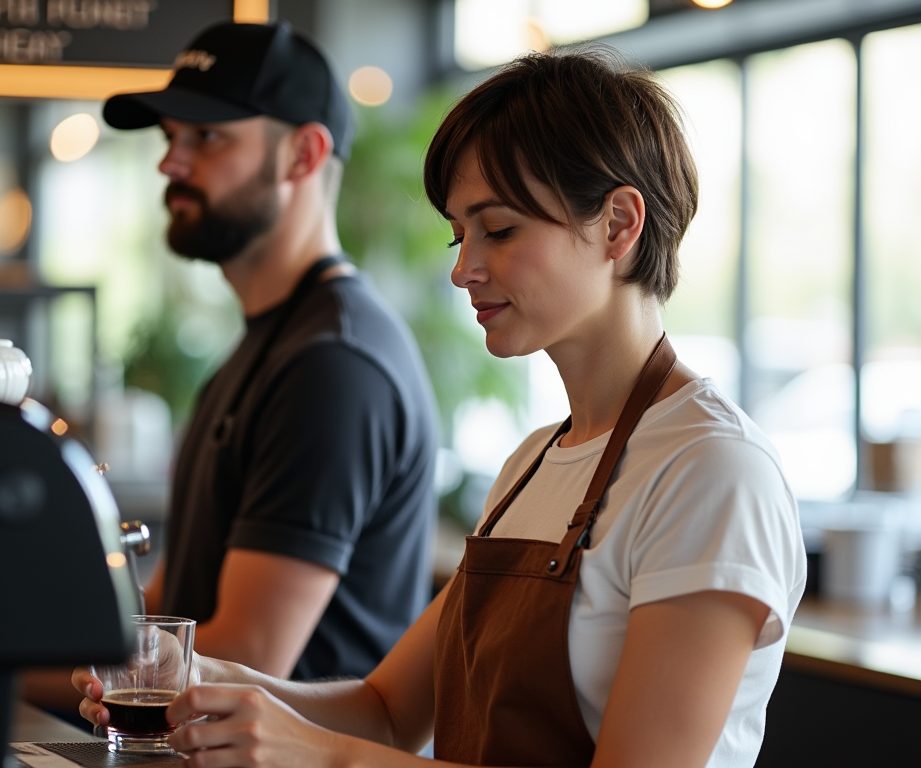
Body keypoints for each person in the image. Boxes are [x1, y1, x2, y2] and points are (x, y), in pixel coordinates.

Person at [74, 45, 807, 768]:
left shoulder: (711, 471)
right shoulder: (534, 463)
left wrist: (322, 757)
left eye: (500, 229)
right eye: (460, 235)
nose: (463, 269)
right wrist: (200, 679)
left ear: (618, 224)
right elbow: (388, 712)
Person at [33, 20, 438, 708]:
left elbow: (244, 654)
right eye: (170, 138)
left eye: (207, 137)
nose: (171, 162)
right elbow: (167, 606)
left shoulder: (333, 365)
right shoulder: (268, 345)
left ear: (303, 156)